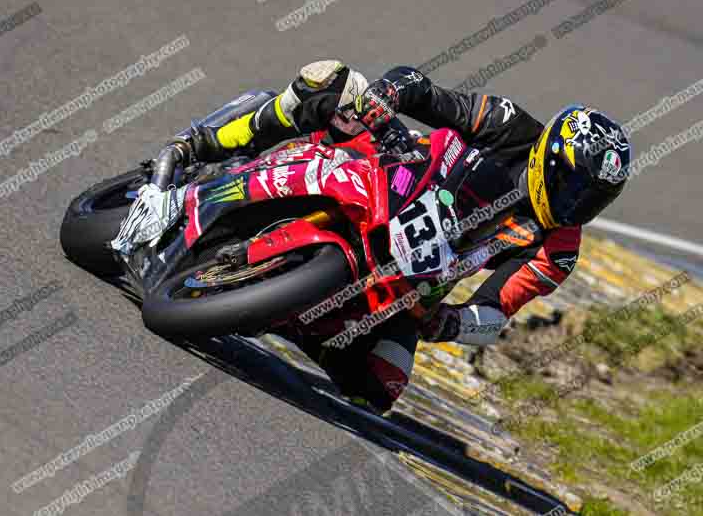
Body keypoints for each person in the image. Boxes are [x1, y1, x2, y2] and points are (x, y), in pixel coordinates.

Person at [126, 60, 633, 414]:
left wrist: (447, 324)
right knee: (329, 83)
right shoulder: (510, 126)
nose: (575, 205)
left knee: (381, 386)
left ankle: (282, 308)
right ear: (551, 155)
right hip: (393, 169)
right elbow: (425, 91)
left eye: (592, 199)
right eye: (573, 185)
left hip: (418, 276)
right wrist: (385, 101)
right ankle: (196, 148)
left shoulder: (559, 249)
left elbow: (497, 310)